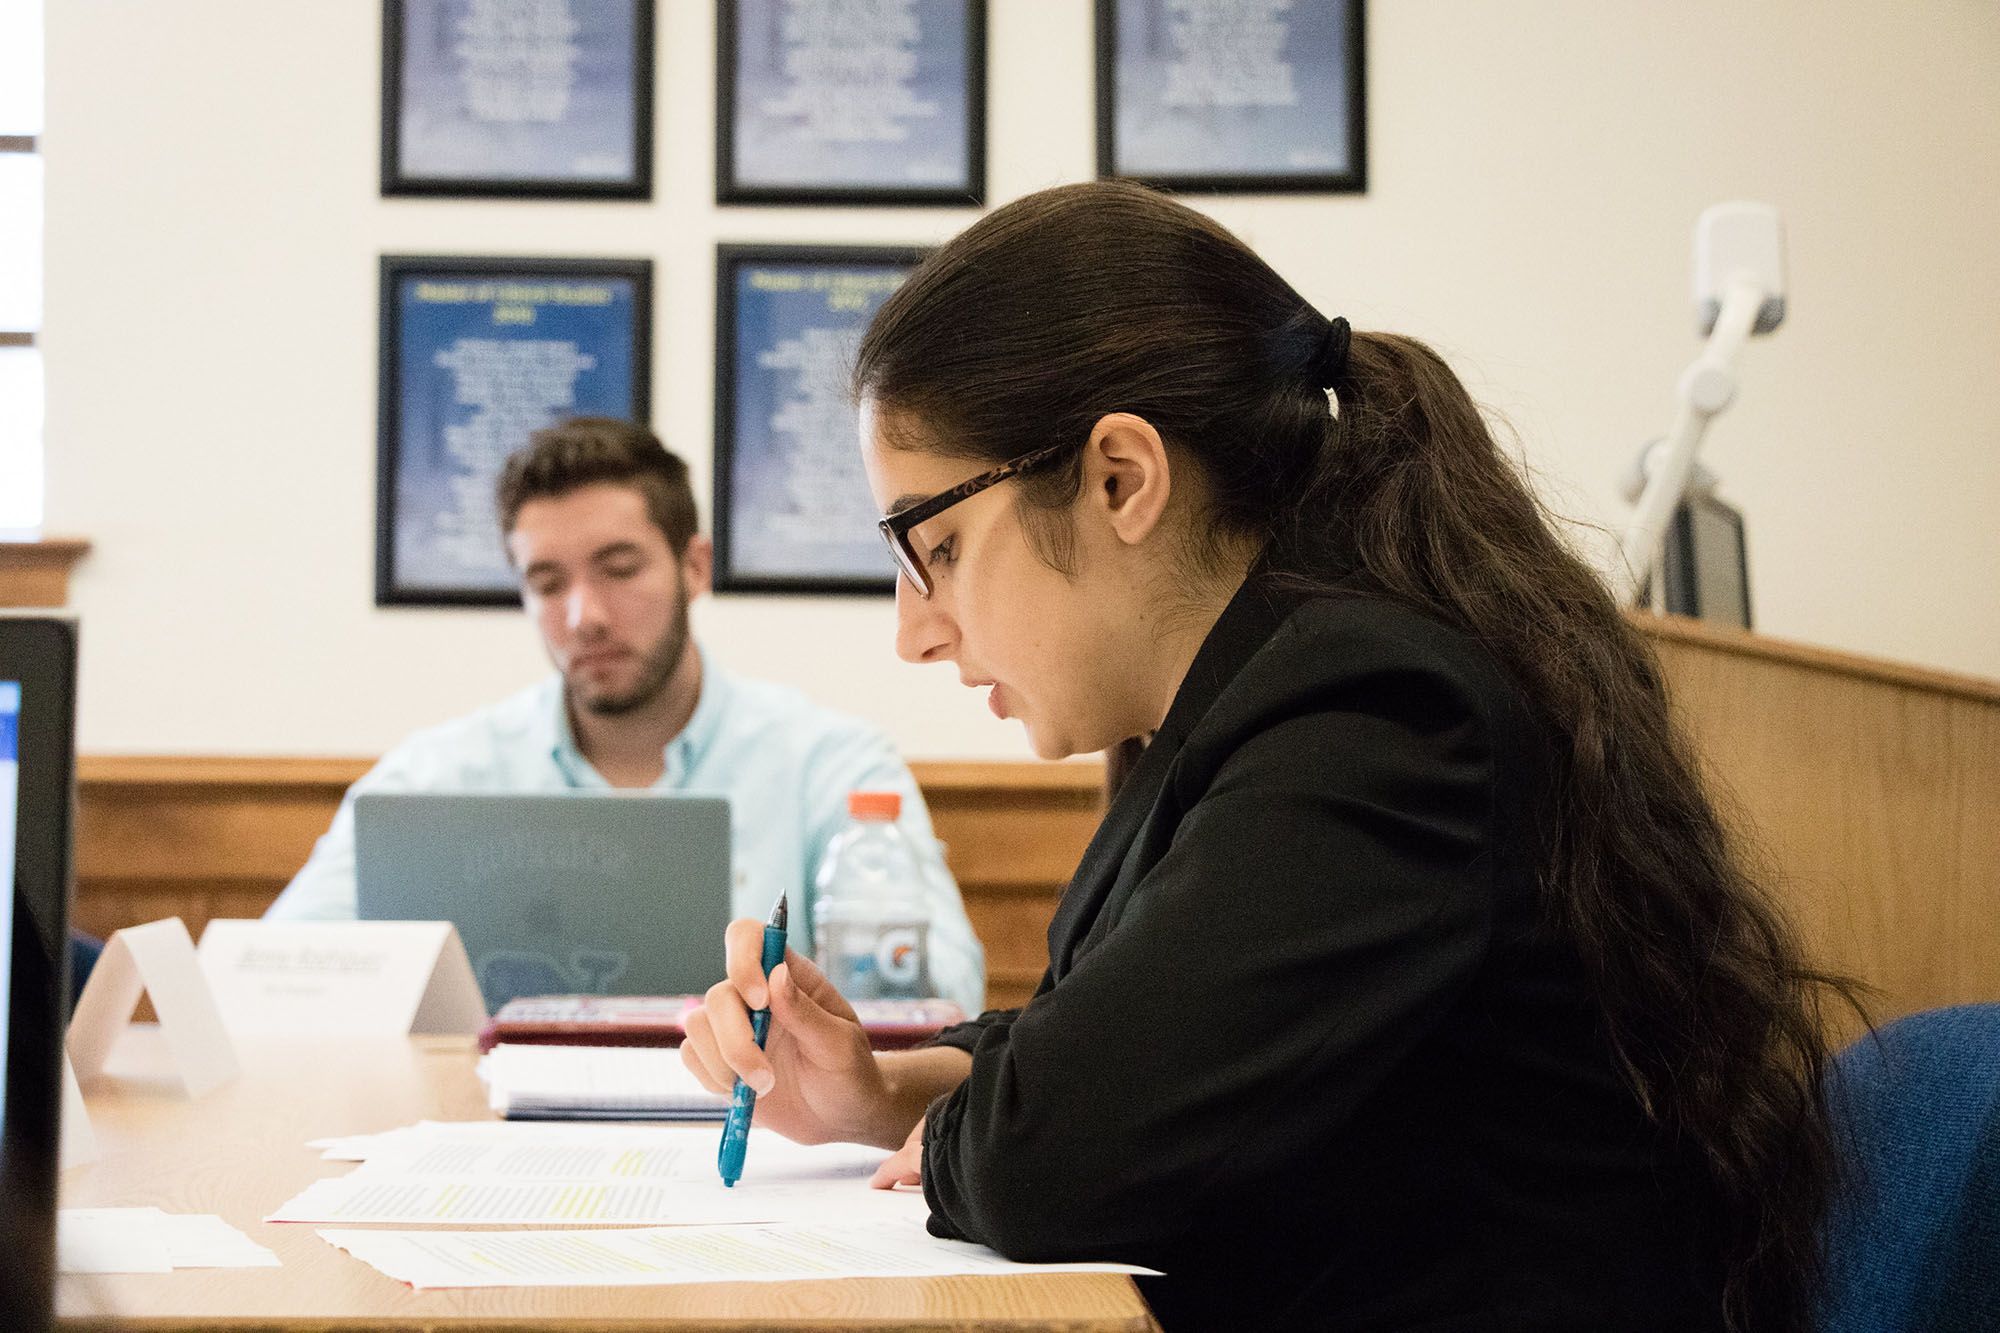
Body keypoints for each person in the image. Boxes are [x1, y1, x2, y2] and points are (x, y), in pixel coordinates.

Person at [679, 182, 1860, 1331]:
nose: (913, 627)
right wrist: (880, 1091)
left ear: (1117, 478)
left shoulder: (1377, 718)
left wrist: (973, 1126)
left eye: (931, 544)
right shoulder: (1265, 699)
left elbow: (1058, 1153)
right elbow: (1110, 1040)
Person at [267, 418, 985, 1016]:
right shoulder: (437, 776)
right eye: (547, 582)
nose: (585, 616)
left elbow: (946, 994)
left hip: (759, 1136)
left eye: (619, 568)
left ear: (695, 566)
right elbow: (277, 971)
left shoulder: (829, 764)